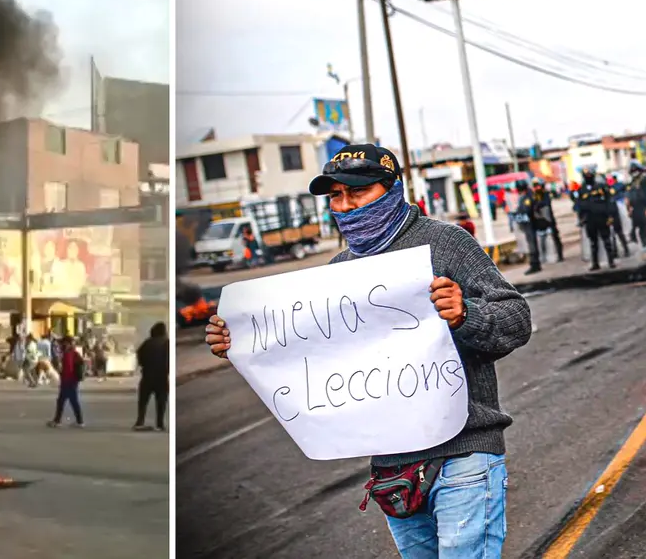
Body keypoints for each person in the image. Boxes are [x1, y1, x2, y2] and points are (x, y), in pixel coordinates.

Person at [205, 144, 532, 558]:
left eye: (357, 193)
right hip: (393, 469)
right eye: (336, 197)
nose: (345, 206)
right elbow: (312, 355)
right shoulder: (339, 272)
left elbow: (516, 319)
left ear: (393, 188)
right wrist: (241, 344)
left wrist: (465, 313)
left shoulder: (446, 244)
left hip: (464, 454)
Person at [576, 164, 617, 271]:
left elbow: (609, 201)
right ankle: (595, 263)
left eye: (589, 174)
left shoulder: (601, 186)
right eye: (586, 174)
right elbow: (579, 205)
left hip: (602, 217)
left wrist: (610, 216)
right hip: (589, 219)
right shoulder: (582, 189)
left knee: (607, 240)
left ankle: (611, 261)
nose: (588, 176)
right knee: (593, 243)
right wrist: (580, 219)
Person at [133, 322, 169, 432]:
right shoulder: (166, 343)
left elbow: (139, 355)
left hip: (147, 375)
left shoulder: (147, 343)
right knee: (161, 402)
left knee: (143, 401)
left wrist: (144, 365)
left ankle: (140, 421)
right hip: (161, 377)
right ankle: (159, 423)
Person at [47, 336, 85, 428]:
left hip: (68, 381)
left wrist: (62, 375)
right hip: (72, 381)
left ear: (67, 343)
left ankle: (58, 421)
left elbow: (68, 369)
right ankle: (78, 421)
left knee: (65, 401)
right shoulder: (74, 353)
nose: (60, 345)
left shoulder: (68, 354)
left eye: (62, 343)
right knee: (68, 401)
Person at [513, 179, 542, 275]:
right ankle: (534, 263)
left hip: (530, 223)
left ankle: (535, 264)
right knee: (530, 244)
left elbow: (526, 209)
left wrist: (518, 212)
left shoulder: (528, 197)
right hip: (526, 223)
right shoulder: (524, 196)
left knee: (532, 244)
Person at [531, 177, 563, 262]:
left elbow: (546, 203)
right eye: (535, 186)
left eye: (538, 186)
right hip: (539, 220)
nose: (536, 187)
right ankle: (543, 257)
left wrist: (538, 205)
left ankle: (560, 255)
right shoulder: (533, 195)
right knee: (542, 239)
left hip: (548, 219)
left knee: (555, 237)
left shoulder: (545, 194)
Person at [627, 161, 646, 247]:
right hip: (636, 209)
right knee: (641, 230)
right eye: (632, 171)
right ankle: (645, 247)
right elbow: (630, 196)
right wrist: (629, 208)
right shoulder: (632, 182)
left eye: (635, 170)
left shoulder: (645, 180)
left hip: (645, 208)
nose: (634, 172)